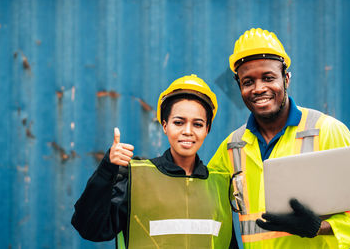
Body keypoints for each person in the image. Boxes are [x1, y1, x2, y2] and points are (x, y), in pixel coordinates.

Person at [208, 28, 350, 248]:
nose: (259, 89)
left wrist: (319, 228)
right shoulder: (232, 146)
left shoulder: (326, 131)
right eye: (248, 82)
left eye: (268, 78)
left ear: (286, 78)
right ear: (239, 86)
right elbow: (199, 192)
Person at [71, 74, 235, 248]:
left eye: (198, 124)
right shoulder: (135, 179)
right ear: (165, 125)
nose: (188, 131)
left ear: (207, 129)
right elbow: (91, 229)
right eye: (178, 122)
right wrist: (106, 170)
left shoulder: (220, 185)